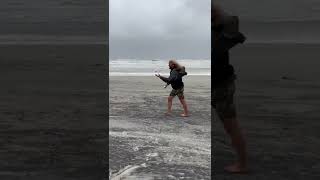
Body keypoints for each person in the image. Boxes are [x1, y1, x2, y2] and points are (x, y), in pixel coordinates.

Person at [212, 4, 248, 173]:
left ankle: (242, 164)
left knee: (230, 125)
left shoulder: (222, 31)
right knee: (229, 125)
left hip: (221, 85)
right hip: (215, 84)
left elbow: (231, 20)